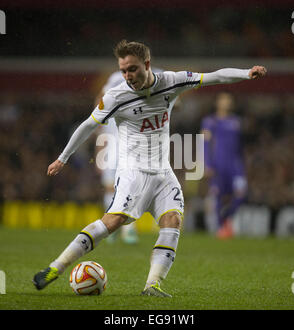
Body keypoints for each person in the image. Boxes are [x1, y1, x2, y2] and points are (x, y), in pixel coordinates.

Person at [33, 40, 267, 297]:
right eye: (123, 71)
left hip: (163, 173)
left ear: (147, 64)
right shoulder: (116, 96)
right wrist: (63, 158)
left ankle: (152, 285)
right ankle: (56, 267)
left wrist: (247, 73)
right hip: (133, 172)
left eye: (132, 69)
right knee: (113, 221)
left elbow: (215, 76)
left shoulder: (171, 81)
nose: (127, 76)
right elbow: (87, 125)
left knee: (173, 220)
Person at [95, 67, 163, 244]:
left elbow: (174, 102)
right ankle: (112, 226)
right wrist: (99, 144)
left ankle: (127, 228)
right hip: (112, 140)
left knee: (131, 183)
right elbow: (100, 101)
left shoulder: (158, 77)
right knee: (110, 185)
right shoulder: (116, 77)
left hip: (138, 142)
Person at [201, 92, 247, 239]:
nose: (227, 102)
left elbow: (240, 146)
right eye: (224, 100)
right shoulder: (210, 121)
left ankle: (227, 218)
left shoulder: (236, 121)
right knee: (218, 196)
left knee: (241, 193)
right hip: (218, 164)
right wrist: (207, 164)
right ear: (217, 103)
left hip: (235, 165)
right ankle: (222, 228)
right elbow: (205, 143)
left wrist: (243, 163)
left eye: (229, 99)